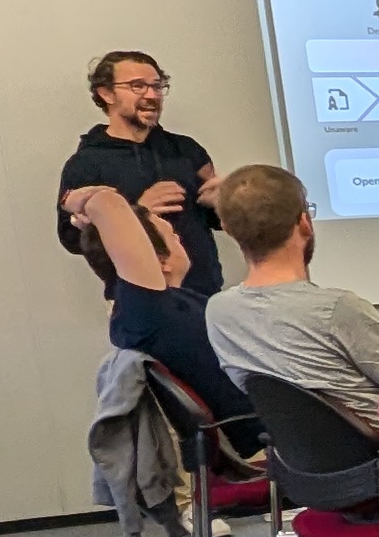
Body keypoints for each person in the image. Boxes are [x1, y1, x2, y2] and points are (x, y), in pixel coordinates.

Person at [205, 164, 379, 439]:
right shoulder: (337, 309)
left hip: (303, 468)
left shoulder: (218, 312)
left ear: (228, 229)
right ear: (304, 223)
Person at [67, 183, 255, 453]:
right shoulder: (149, 310)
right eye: (173, 236)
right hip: (266, 440)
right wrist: (75, 200)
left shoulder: (165, 307)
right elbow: (108, 204)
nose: (181, 241)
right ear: (160, 260)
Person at [56, 51, 223, 298]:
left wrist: (227, 200)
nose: (152, 95)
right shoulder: (86, 164)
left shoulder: (186, 150)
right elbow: (72, 239)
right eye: (138, 86)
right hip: (137, 301)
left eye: (157, 86)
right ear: (106, 93)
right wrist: (136, 214)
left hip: (203, 294)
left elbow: (214, 220)